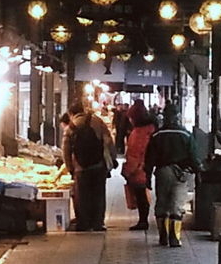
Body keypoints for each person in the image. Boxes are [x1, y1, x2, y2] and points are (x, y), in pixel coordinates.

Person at [144, 103, 199, 247]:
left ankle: (163, 236)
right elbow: (193, 156)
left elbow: (149, 158)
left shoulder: (157, 135)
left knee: (162, 202)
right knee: (177, 205)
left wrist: (148, 176)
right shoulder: (186, 134)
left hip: (162, 172)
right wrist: (198, 172)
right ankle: (174, 238)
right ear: (178, 116)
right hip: (181, 173)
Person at [61, 100, 114, 232]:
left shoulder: (70, 127)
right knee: (98, 194)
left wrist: (70, 168)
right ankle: (97, 223)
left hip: (81, 167)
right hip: (98, 165)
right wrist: (111, 159)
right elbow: (108, 141)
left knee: (82, 196)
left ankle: (83, 223)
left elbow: (66, 150)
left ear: (70, 113)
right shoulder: (97, 122)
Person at [121, 100, 158, 233]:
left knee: (141, 195)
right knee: (142, 194)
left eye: (131, 118)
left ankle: (143, 221)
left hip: (138, 169)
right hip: (143, 168)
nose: (130, 120)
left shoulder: (139, 133)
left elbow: (135, 154)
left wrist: (128, 170)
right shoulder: (149, 130)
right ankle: (143, 220)